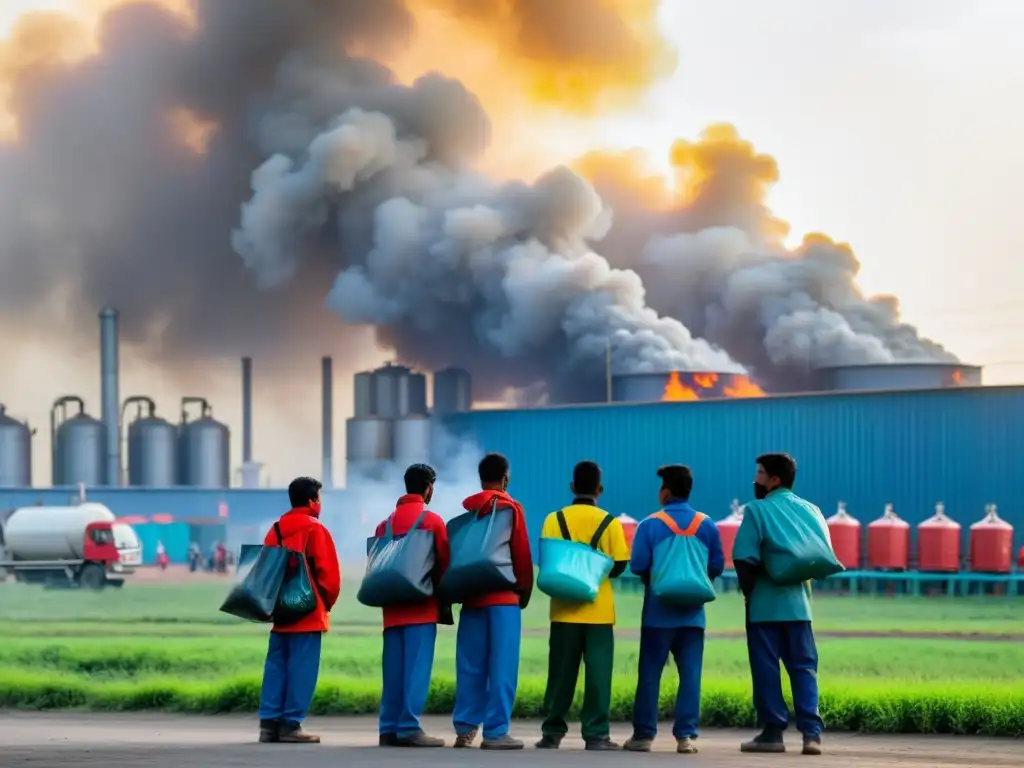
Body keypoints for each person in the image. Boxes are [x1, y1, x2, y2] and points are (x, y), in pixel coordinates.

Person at [623, 465, 725, 754]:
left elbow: (639, 565)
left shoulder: (649, 525)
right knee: (690, 676)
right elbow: (716, 565)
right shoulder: (707, 525)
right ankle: (686, 736)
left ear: (665, 491)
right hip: (693, 616)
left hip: (657, 615)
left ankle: (643, 736)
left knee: (650, 675)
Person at [732, 453, 826, 756]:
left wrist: (749, 593)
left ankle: (773, 733)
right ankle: (811, 735)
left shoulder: (756, 511)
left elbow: (744, 559)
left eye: (760, 473)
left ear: (774, 480)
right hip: (799, 606)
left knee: (766, 670)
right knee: (804, 668)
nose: (755, 479)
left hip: (764, 607)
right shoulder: (811, 509)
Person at [536, 460, 630, 751]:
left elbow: (549, 560)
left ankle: (552, 732)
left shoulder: (553, 519)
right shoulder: (610, 522)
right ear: (599, 489)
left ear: (572, 487)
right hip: (599, 612)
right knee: (598, 675)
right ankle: (597, 734)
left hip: (563, 611)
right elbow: (619, 566)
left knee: (561, 673)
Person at [452, 453, 534, 751]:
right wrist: (524, 590)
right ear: (506, 477)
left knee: (470, 665)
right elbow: (521, 555)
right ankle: (496, 731)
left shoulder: (467, 513)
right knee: (502, 665)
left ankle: (464, 729)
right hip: (502, 599)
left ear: (480, 477)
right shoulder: (511, 509)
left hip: (472, 598)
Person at [257, 476, 341, 745]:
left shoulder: (276, 529)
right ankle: (291, 725)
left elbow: (265, 570)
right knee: (302, 669)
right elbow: (329, 577)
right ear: (311, 501)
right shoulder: (316, 529)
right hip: (307, 613)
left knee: (276, 666)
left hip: (280, 611)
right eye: (319, 498)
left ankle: (268, 725)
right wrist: (325, 604)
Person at [375, 463, 450, 748]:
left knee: (392, 670)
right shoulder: (432, 521)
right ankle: (409, 727)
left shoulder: (385, 524)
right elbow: (444, 563)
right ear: (428, 487)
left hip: (392, 610)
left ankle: (388, 728)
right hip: (421, 607)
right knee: (416, 669)